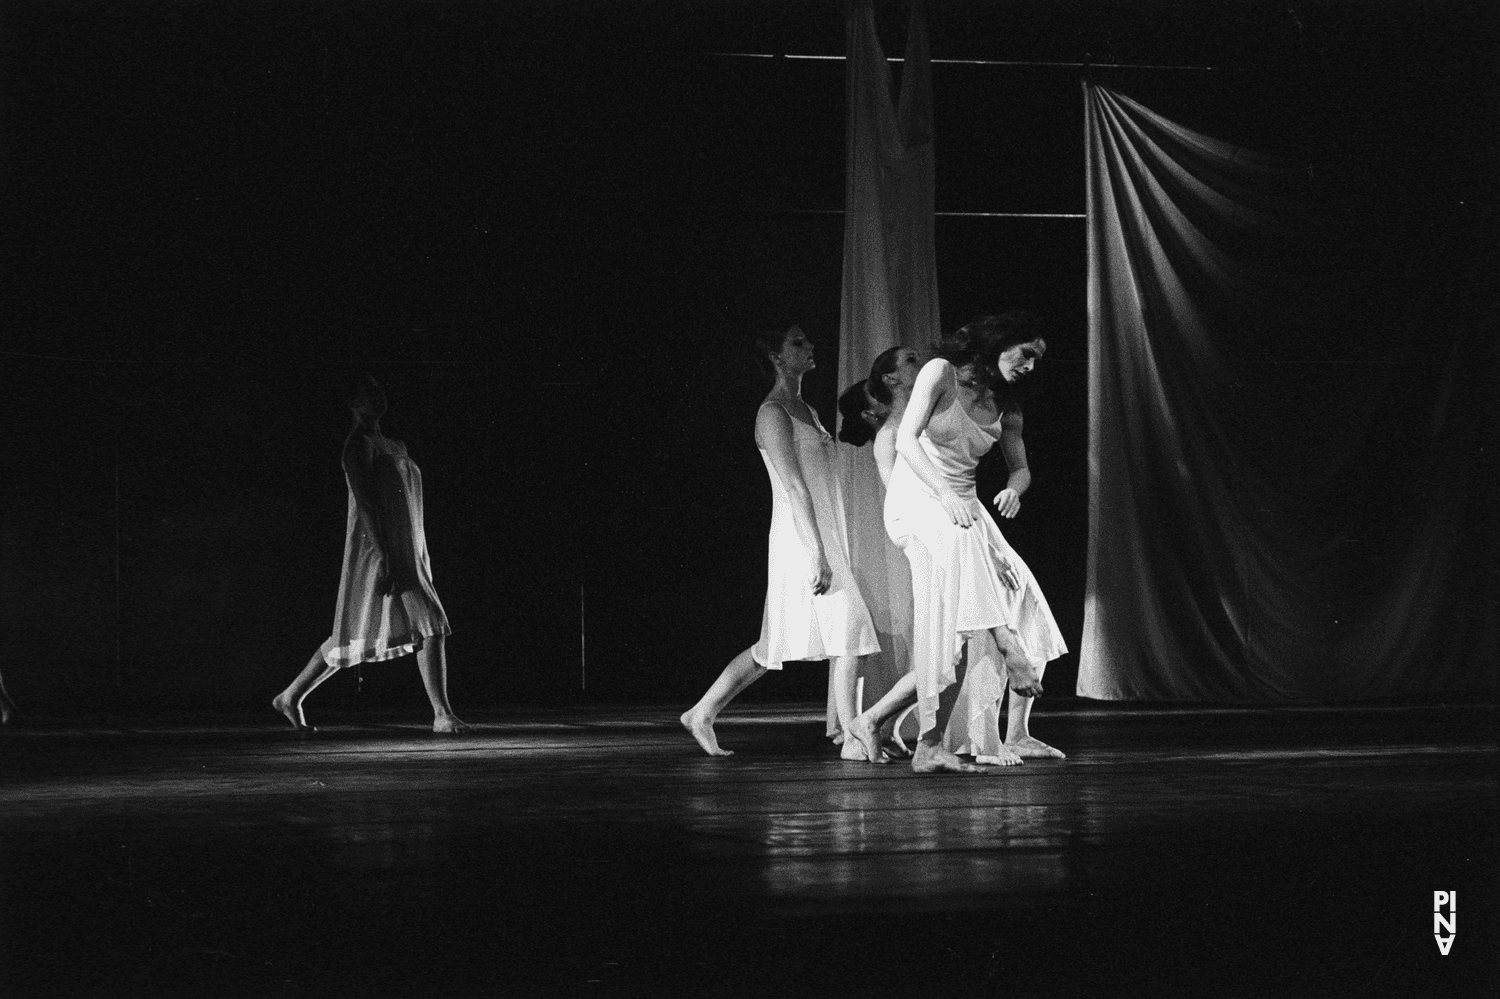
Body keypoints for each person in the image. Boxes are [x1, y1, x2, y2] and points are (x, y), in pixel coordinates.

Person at [878, 313, 1068, 774]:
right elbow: (906, 438)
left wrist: (1013, 490)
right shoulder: (939, 372)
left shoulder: (1008, 405)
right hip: (918, 495)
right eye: (1026, 354)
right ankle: (1008, 646)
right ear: (1000, 343)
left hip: (965, 505)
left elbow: (1021, 469)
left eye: (1036, 361)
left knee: (1020, 588)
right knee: (966, 562)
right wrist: (944, 495)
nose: (1029, 366)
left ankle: (1004, 733)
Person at [681, 326, 881, 757]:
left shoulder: (806, 408)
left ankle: (702, 712)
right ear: (775, 356)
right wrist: (817, 554)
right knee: (850, 627)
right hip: (800, 538)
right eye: (797, 343)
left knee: (775, 645)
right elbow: (794, 488)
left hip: (823, 532)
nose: (809, 347)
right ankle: (850, 735)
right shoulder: (773, 412)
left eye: (808, 341)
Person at [273, 374, 470, 734]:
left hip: (408, 547)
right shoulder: (357, 445)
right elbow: (365, 504)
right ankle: (441, 714)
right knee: (432, 623)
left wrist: (416, 552)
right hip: (378, 548)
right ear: (352, 404)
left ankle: (290, 695)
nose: (378, 397)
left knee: (353, 629)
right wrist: (385, 556)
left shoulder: (396, 444)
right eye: (368, 393)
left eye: (380, 391)